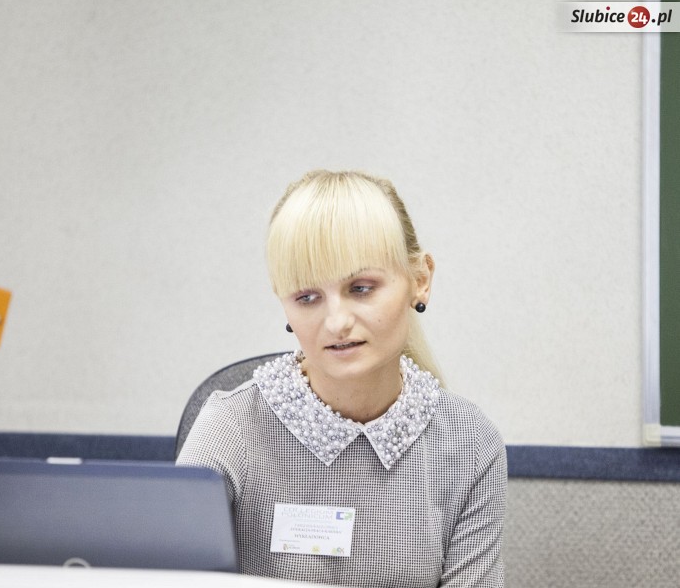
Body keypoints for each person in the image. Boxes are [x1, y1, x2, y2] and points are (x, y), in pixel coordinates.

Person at [177, 170, 507, 587]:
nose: (336, 322)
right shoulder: (230, 428)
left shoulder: (470, 442)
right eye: (307, 297)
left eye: (361, 288)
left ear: (420, 280)